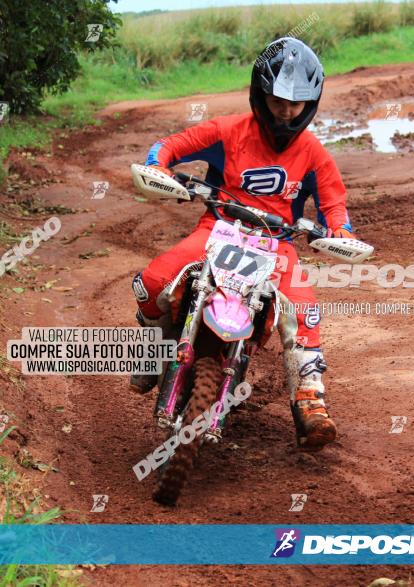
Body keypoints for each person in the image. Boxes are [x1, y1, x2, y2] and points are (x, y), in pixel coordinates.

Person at [130, 37, 355, 451]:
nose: (287, 111)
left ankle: (309, 401)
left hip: (278, 245)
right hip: (217, 227)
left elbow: (334, 204)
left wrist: (339, 231)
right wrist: (156, 166)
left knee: (303, 310)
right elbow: (171, 145)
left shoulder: (314, 152)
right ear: (260, 93)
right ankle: (151, 356)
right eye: (277, 100)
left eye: (297, 103)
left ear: (312, 101)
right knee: (151, 282)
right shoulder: (228, 130)